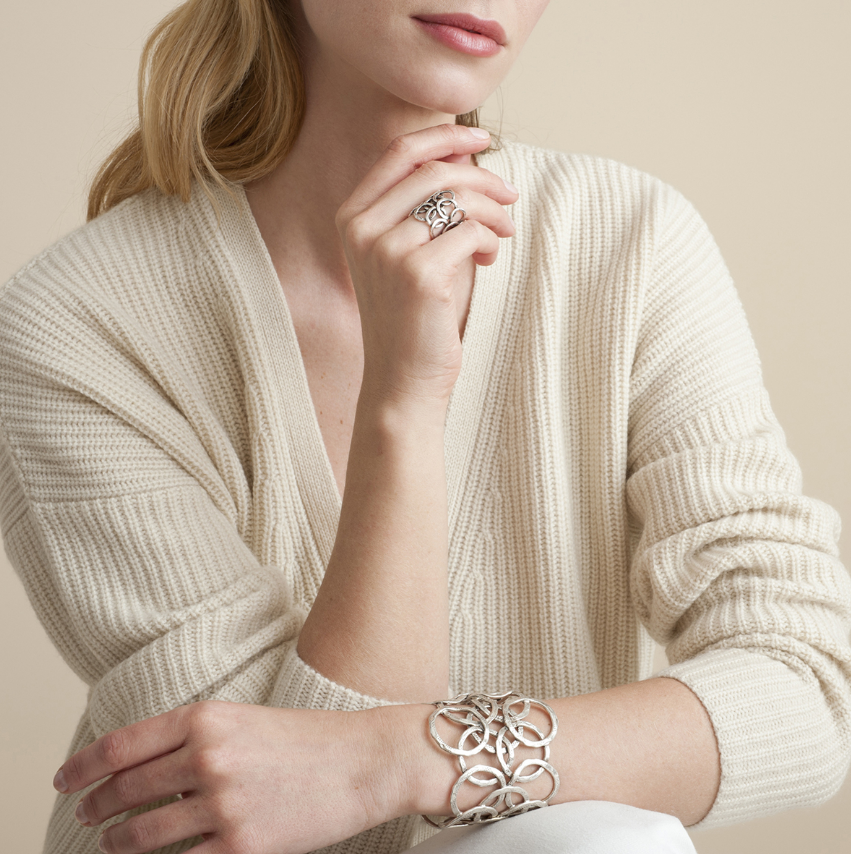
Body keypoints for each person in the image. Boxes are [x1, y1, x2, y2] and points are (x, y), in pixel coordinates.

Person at [1, 1, 850, 853]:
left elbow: (803, 684)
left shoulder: (627, 242)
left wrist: (403, 761)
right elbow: (279, 825)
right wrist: (403, 400)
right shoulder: (76, 324)